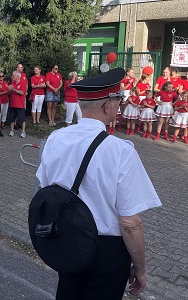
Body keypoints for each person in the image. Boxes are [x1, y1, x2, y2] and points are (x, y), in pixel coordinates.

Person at [37, 68, 161, 300]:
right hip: (107, 250)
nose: (120, 105)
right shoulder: (121, 151)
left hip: (67, 238)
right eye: (118, 100)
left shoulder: (55, 139)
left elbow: (47, 189)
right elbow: (130, 223)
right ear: (107, 106)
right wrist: (140, 268)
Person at [8, 71, 27, 138]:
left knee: (22, 119)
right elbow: (10, 93)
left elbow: (22, 92)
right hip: (12, 104)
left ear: (18, 76)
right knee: (12, 119)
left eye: (13, 76)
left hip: (20, 105)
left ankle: (23, 131)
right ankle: (12, 130)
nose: (12, 77)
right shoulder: (12, 83)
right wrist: (9, 90)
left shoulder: (23, 83)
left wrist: (14, 89)